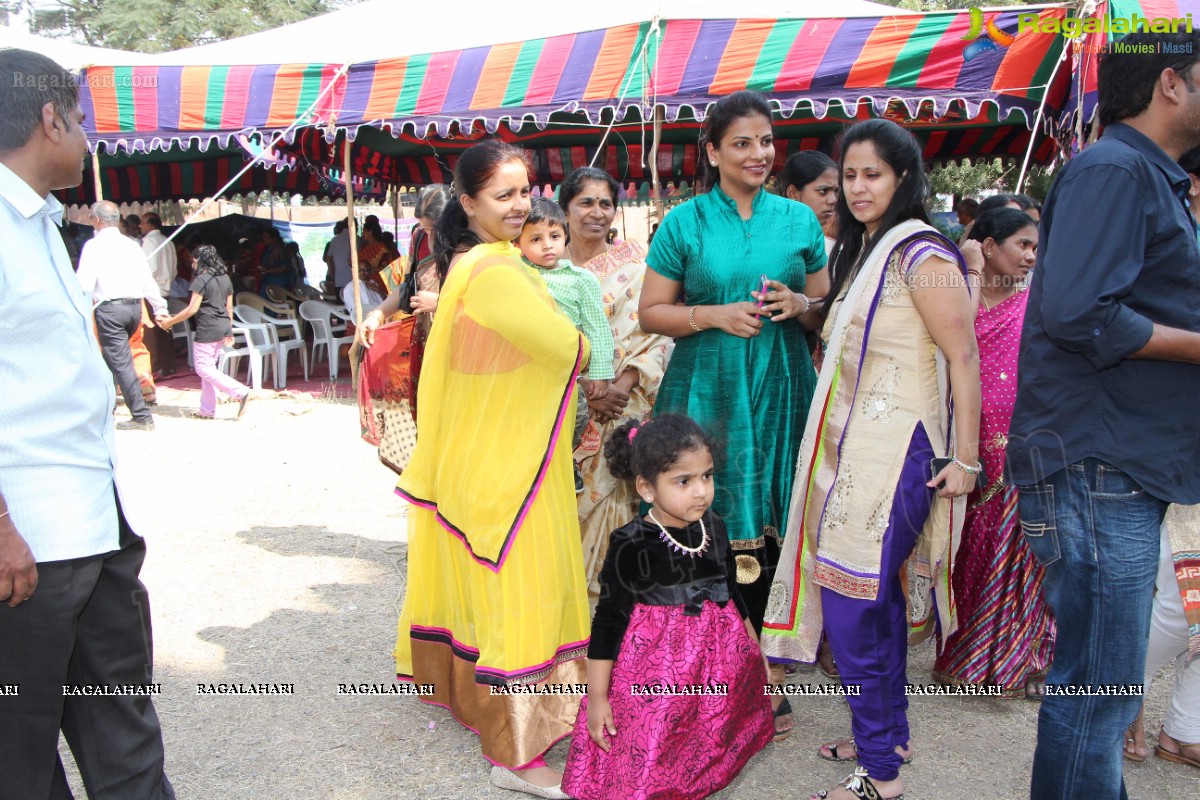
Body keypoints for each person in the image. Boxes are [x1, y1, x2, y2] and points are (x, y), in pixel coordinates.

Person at [761, 118, 981, 800]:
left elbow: (963, 357)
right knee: (872, 606)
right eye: (848, 175)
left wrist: (967, 461)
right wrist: (807, 304)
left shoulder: (923, 255)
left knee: (854, 608)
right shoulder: (874, 250)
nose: (856, 189)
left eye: (872, 175)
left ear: (905, 179)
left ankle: (879, 777)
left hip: (894, 457)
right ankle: (886, 735)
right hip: (854, 454)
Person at [1008, 30, 1200, 800]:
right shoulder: (1116, 170)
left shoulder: (1147, 174)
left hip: (1116, 461)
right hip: (1096, 463)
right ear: (1171, 85)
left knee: (1103, 685)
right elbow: (1080, 312)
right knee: (1100, 686)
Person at [0, 47, 175, 800]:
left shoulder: (39, 222)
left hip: (92, 531)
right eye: (80, 119)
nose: (88, 140)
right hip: (25, 549)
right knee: (23, 756)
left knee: (125, 742)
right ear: (50, 118)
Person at [392, 141, 591, 800]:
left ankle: (488, 711)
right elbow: (566, 346)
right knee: (520, 600)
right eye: (503, 194)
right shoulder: (498, 272)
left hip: (486, 454)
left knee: (494, 593)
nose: (519, 205)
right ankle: (518, 752)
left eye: (524, 190)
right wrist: (586, 338)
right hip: (511, 464)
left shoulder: (476, 263)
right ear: (469, 203)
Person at [639, 90, 829, 740]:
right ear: (713, 151)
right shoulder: (683, 224)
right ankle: (710, 673)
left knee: (776, 518)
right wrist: (712, 315)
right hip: (708, 390)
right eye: (742, 142)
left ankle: (766, 670)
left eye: (766, 141)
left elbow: (825, 301)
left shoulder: (799, 221)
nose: (758, 153)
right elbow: (650, 312)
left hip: (780, 387)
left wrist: (800, 302)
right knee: (709, 520)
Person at [561, 415, 773, 800]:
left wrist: (756, 651)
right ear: (646, 488)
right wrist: (597, 698)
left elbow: (732, 591)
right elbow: (608, 623)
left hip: (715, 668)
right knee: (654, 750)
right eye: (683, 481)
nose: (701, 492)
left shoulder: (717, 526)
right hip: (656, 677)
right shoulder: (632, 543)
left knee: (707, 739)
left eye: (707, 476)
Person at [931, 207, 1053, 697]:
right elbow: (957, 346)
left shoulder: (1039, 301)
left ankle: (1018, 657)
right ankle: (966, 656)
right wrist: (974, 273)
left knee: (1020, 552)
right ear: (986, 244)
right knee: (968, 545)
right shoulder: (953, 292)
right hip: (964, 440)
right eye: (1022, 244)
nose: (1030, 257)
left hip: (1023, 441)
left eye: (1036, 248)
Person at [558, 166, 673, 602]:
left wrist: (622, 383)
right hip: (562, 410)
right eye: (585, 202)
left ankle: (609, 618)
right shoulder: (545, 269)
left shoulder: (637, 267)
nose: (597, 212)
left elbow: (656, 334)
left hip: (622, 408)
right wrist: (588, 386)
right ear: (566, 210)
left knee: (618, 506)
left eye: (606, 203)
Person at [517, 198, 616, 494]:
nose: (547, 245)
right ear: (518, 242)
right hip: (524, 370)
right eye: (535, 239)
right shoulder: (515, 274)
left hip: (567, 372)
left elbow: (597, 327)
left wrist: (600, 373)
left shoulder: (580, 279)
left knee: (576, 417)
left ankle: (564, 461)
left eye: (555, 237)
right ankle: (533, 467)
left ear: (565, 236)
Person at [358, 184, 452, 420]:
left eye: (433, 227)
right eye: (423, 226)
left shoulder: (467, 240)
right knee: (427, 412)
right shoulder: (418, 237)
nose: (428, 234)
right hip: (425, 337)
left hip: (457, 340)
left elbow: (483, 298)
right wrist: (377, 315)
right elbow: (408, 287)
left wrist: (441, 302)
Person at [76, 200, 170, 431]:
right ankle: (107, 405)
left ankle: (141, 415)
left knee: (120, 362)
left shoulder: (93, 246)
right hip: (133, 308)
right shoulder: (132, 245)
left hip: (111, 309)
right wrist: (160, 308)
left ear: (97, 220)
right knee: (113, 359)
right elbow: (147, 281)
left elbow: (84, 284)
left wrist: (77, 309)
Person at [158, 245, 251, 421]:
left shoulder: (201, 280)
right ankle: (207, 410)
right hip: (222, 325)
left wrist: (169, 322)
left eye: (193, 260)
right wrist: (228, 329)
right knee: (209, 368)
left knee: (203, 367)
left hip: (207, 327)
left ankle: (240, 391)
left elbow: (192, 309)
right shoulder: (225, 279)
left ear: (199, 260)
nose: (192, 264)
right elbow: (229, 307)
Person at [140, 212, 178, 378]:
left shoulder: (149, 240)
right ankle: (168, 365)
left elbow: (150, 268)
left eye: (142, 223)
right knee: (165, 329)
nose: (140, 226)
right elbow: (174, 269)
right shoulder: (167, 241)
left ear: (150, 225)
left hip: (153, 291)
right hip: (166, 290)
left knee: (151, 332)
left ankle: (154, 367)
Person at [777, 150, 839, 245]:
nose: (833, 200)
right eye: (823, 191)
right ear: (793, 194)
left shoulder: (836, 248)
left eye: (835, 191)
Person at [257, 227, 292, 297]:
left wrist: (267, 271)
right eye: (264, 236)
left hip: (278, 282)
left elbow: (284, 268)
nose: (264, 239)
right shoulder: (269, 249)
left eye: (267, 237)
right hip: (268, 281)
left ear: (274, 239)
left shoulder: (280, 250)